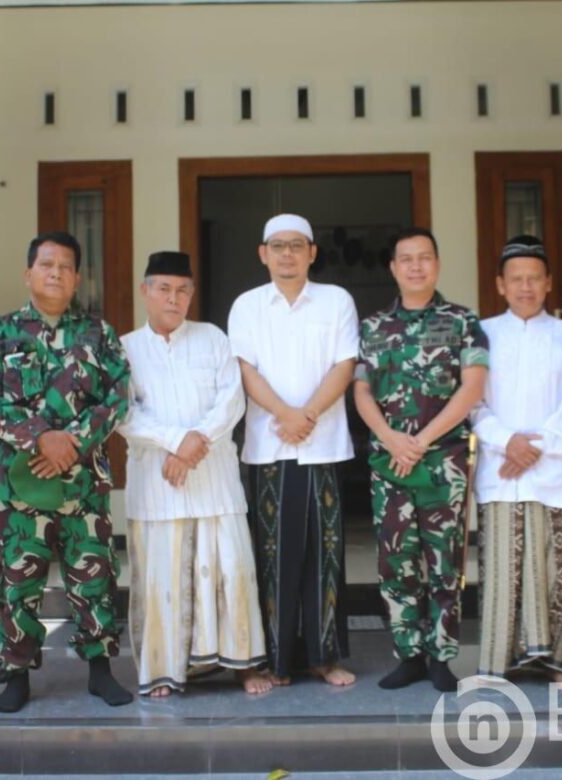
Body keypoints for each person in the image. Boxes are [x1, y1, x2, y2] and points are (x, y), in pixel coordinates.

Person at [0, 231, 132, 713]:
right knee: (16, 580)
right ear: (28, 273)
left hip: (83, 483)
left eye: (65, 266)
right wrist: (42, 436)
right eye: (46, 264)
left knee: (95, 574)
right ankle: (16, 674)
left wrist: (72, 442)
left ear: (78, 278)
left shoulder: (99, 335)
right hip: (18, 486)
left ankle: (100, 670)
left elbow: (118, 395)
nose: (56, 272)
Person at [118, 251, 270, 696]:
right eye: (164, 288)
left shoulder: (213, 338)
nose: (174, 298)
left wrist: (191, 444)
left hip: (214, 481)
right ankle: (164, 670)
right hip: (156, 485)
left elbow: (232, 400)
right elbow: (123, 413)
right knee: (162, 581)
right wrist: (174, 441)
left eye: (183, 290)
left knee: (232, 573)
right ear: (145, 291)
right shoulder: (125, 347)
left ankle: (244, 664)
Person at [353, 227, 487, 692]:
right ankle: (408, 654)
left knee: (444, 560)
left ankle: (441, 657)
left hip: (443, 462)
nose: (415, 266)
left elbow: (472, 388)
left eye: (424, 257)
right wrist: (391, 438)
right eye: (405, 259)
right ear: (392, 267)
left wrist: (421, 440)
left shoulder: (462, 321)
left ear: (437, 264)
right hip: (391, 464)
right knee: (396, 561)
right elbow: (362, 390)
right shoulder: (372, 328)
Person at [227, 214, 357, 687]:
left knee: (325, 553)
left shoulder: (336, 301)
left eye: (297, 245)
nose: (287, 254)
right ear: (263, 253)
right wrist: (284, 413)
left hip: (322, 446)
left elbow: (345, 364)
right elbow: (243, 368)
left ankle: (325, 656)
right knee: (273, 555)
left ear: (312, 253)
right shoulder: (246, 306)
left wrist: (307, 414)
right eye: (277, 246)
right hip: (270, 449)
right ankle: (275, 661)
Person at [473, 235, 562, 682]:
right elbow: (471, 401)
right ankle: (499, 662)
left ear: (547, 284)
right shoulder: (481, 332)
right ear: (500, 285)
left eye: (533, 279)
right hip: (501, 467)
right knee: (505, 571)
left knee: (558, 567)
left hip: (553, 467)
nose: (525, 287)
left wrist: (536, 447)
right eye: (516, 279)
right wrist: (507, 441)